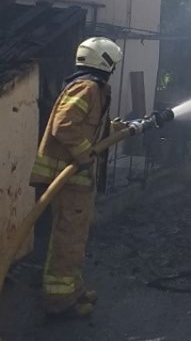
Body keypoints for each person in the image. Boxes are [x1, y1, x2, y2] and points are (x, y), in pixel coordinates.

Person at [30, 37, 125, 317]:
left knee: (74, 238)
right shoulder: (88, 87)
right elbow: (64, 125)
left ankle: (72, 289)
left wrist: (118, 129)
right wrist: (84, 157)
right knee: (67, 240)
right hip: (68, 178)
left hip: (74, 181)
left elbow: (85, 127)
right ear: (105, 62)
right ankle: (59, 301)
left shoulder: (90, 87)